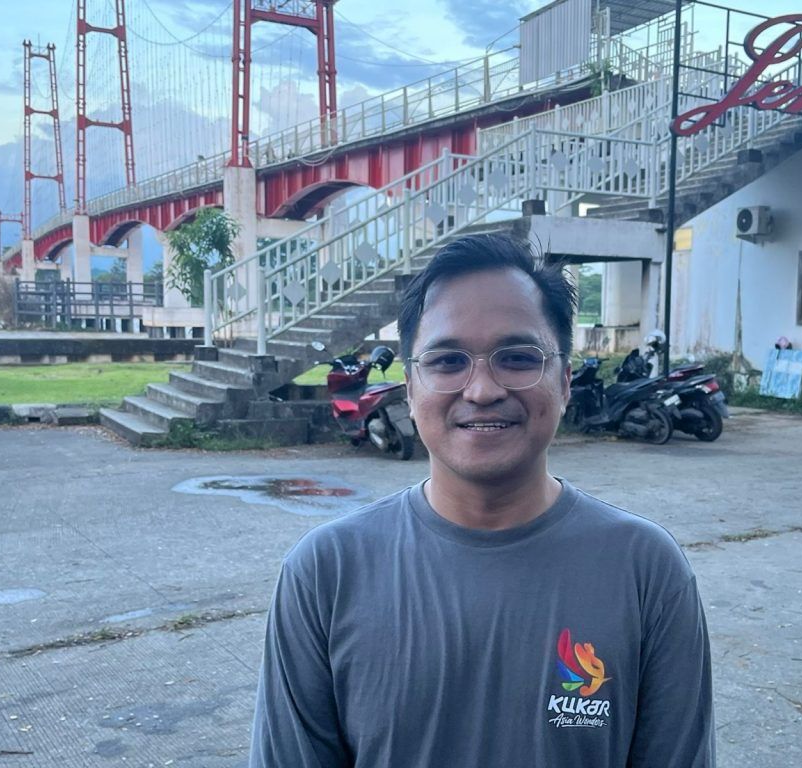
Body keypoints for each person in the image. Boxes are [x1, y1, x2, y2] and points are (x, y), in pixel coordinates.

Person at [248, 234, 715, 767]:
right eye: (448, 361)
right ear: (411, 387)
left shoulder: (645, 569)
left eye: (517, 358)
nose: (482, 390)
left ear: (565, 382)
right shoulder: (326, 573)